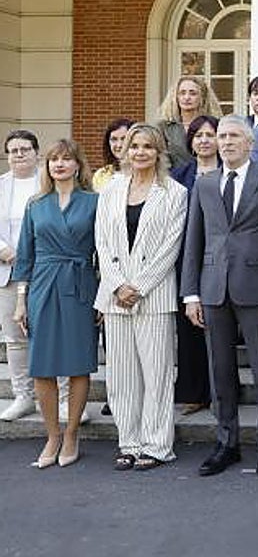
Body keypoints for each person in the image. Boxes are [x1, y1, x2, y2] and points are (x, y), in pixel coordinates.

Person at [180, 115, 258, 478]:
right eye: (221, 136)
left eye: (232, 136)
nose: (225, 142)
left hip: (257, 288)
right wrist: (190, 294)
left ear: (249, 143)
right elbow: (193, 242)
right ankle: (226, 442)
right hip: (213, 289)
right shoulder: (206, 184)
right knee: (220, 371)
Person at [94, 123, 188, 470]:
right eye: (134, 146)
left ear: (159, 151)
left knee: (157, 374)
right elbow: (102, 243)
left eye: (148, 146)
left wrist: (140, 286)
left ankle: (157, 445)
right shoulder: (110, 191)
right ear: (125, 151)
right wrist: (118, 284)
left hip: (154, 295)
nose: (140, 152)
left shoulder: (175, 192)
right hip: (116, 296)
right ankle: (129, 442)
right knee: (121, 376)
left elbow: (170, 247)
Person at [11, 139, 99, 468]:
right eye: (53, 160)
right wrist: (21, 301)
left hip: (80, 285)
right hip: (42, 287)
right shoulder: (36, 204)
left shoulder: (94, 202)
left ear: (78, 165)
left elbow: (102, 251)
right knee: (42, 366)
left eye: (66, 159)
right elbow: (25, 257)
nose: (59, 164)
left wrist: (102, 296)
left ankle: (72, 433)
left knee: (78, 363)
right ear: (47, 166)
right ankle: (52, 435)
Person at [169, 115, 219, 415]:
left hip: (220, 256)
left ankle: (221, 389)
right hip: (186, 255)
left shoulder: (230, 171)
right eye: (198, 135)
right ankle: (193, 391)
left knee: (219, 327)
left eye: (210, 134)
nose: (204, 140)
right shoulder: (180, 175)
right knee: (189, 328)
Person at [0, 129, 41, 421]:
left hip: (43, 270)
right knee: (15, 338)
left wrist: (30, 255)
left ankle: (60, 397)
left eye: (25, 149)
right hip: (7, 271)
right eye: (13, 150)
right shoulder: (1, 185)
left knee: (51, 334)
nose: (19, 155)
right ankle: (23, 396)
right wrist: (4, 250)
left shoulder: (48, 182)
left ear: (36, 152)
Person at [157, 75, 223, 170]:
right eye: (182, 93)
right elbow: (162, 160)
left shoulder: (216, 124)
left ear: (202, 97)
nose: (187, 97)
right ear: (176, 97)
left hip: (209, 178)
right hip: (174, 179)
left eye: (193, 93)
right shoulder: (163, 127)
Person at [92, 118, 134, 192]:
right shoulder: (101, 175)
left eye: (124, 139)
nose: (119, 145)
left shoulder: (144, 171)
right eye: (114, 139)